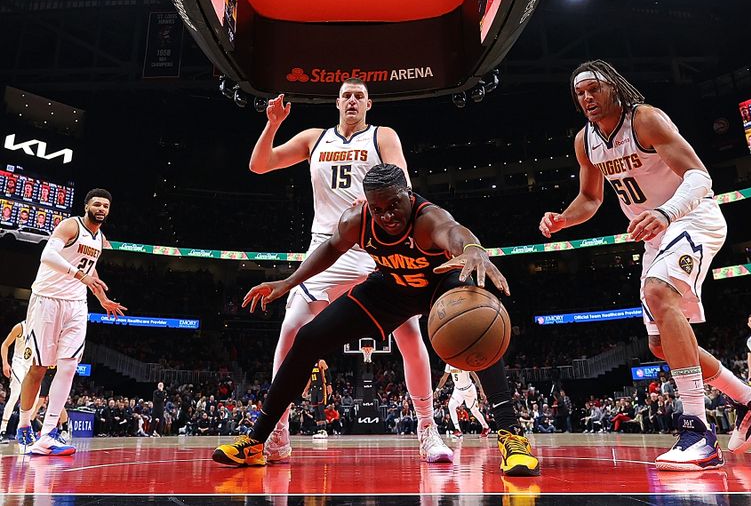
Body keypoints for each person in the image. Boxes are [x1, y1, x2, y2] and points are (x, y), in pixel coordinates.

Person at [213, 164, 539, 476]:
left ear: (408, 195)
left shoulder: (428, 219)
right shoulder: (357, 220)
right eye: (378, 208)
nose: (387, 216)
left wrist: (472, 248)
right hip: (390, 290)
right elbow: (330, 248)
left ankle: (512, 436)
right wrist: (287, 282)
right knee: (308, 337)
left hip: (439, 286)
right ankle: (256, 441)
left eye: (394, 205)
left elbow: (453, 231)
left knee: (477, 325)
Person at [538, 60, 751, 471]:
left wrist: (666, 213)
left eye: (594, 88)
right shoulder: (586, 141)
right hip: (655, 232)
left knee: (657, 292)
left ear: (614, 86)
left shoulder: (644, 119)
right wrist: (563, 217)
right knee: (659, 345)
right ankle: (750, 397)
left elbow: (700, 178)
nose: (587, 98)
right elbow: (591, 199)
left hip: (690, 217)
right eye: (580, 94)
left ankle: (698, 431)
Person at [246, 78, 449, 463]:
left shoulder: (382, 136)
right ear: (336, 104)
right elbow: (259, 165)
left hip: (373, 241)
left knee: (409, 334)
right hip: (327, 244)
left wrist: (370, 200)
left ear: (369, 104)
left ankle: (428, 428)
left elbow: (402, 182)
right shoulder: (313, 139)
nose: (352, 101)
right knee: (291, 329)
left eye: (358, 96)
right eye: (346, 96)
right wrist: (272, 124)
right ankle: (278, 431)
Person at [15, 188, 126, 455]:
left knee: (68, 366)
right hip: (47, 299)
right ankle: (24, 425)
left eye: (106, 206)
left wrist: (101, 298)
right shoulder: (69, 225)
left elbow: (91, 270)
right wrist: (80, 276)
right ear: (87, 205)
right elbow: (47, 256)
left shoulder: (100, 237)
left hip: (76, 304)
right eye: (97, 204)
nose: (101, 209)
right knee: (39, 368)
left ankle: (49, 433)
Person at [435, 364, 490, 437]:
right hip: (458, 390)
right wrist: (437, 389)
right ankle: (457, 430)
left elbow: (475, 377)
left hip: (469, 390)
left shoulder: (462, 361)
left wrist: (481, 391)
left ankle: (486, 427)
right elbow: (444, 378)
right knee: (451, 406)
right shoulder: (449, 363)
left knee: (474, 411)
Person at [1, 321, 29, 443]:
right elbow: (5, 344)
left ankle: (22, 431)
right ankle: (2, 430)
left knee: (35, 397)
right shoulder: (20, 326)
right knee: (15, 394)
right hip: (18, 363)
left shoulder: (40, 327)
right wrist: (5, 363)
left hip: (30, 365)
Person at [303, 359, 332, 439]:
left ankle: (324, 430)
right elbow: (310, 379)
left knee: (321, 408)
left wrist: (329, 385)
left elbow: (328, 373)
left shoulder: (321, 362)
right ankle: (319, 430)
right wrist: (305, 390)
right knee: (315, 409)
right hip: (313, 389)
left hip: (321, 387)